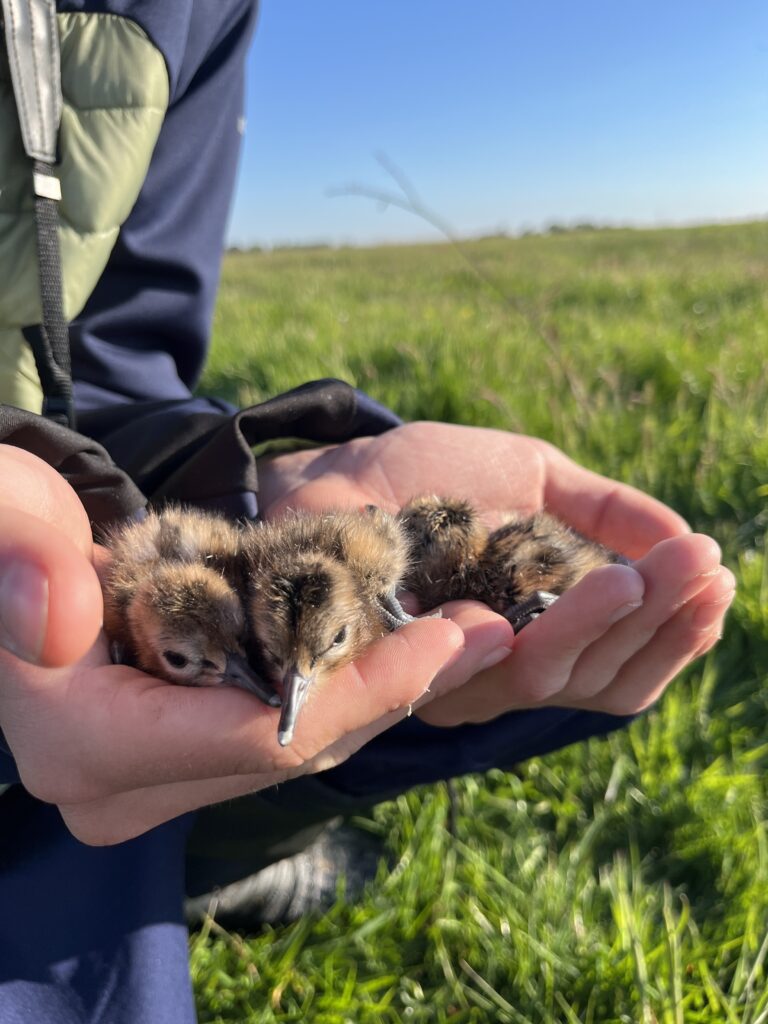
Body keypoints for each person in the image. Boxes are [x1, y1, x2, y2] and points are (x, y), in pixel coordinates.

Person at [0, 3, 735, 1022]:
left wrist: (230, 478)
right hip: (47, 582)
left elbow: (110, 360)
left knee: (488, 669)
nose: (271, 678)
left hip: (92, 559)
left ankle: (213, 855)